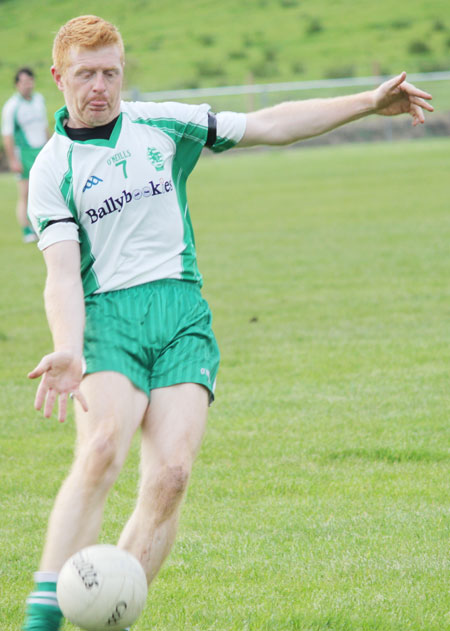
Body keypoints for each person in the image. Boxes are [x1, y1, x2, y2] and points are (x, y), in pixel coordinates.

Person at [23, 14, 433, 631]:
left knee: (171, 476)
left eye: (111, 71)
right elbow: (60, 274)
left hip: (182, 313)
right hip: (108, 315)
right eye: (86, 75)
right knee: (103, 445)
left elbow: (268, 124)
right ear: (60, 77)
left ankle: (109, 610)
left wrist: (368, 103)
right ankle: (42, 617)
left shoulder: (161, 124)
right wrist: (67, 346)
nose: (100, 86)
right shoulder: (52, 168)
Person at [1, 67, 48, 243]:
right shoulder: (12, 107)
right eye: (23, 82)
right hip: (24, 153)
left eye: (30, 81)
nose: (27, 85)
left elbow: (44, 127)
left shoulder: (39, 100)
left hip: (40, 150)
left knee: (44, 190)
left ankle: (41, 225)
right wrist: (12, 159)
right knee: (25, 192)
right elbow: (8, 135)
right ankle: (26, 230)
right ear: (17, 84)